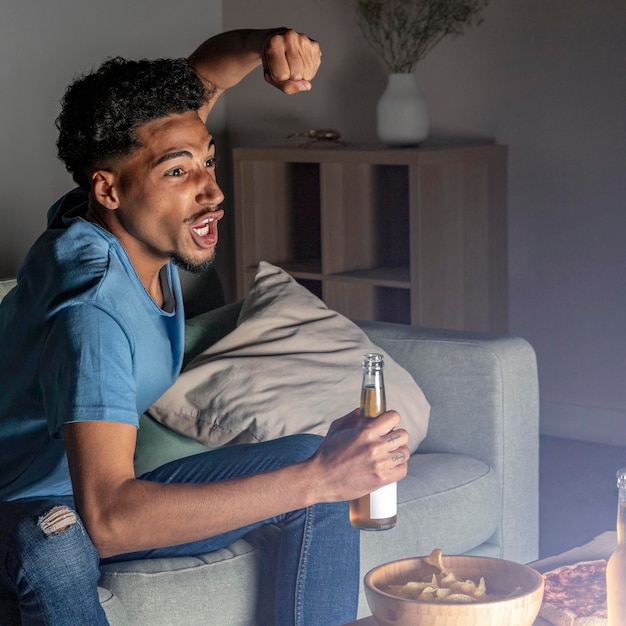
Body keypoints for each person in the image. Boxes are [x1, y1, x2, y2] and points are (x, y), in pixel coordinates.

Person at [0, 28, 410, 626]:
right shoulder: (91, 314)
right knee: (55, 546)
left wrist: (270, 44)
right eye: (178, 173)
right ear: (108, 190)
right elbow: (110, 520)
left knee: (319, 460)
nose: (212, 191)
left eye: (208, 160)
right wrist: (317, 479)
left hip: (79, 485)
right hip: (22, 506)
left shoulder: (112, 206)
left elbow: (206, 78)